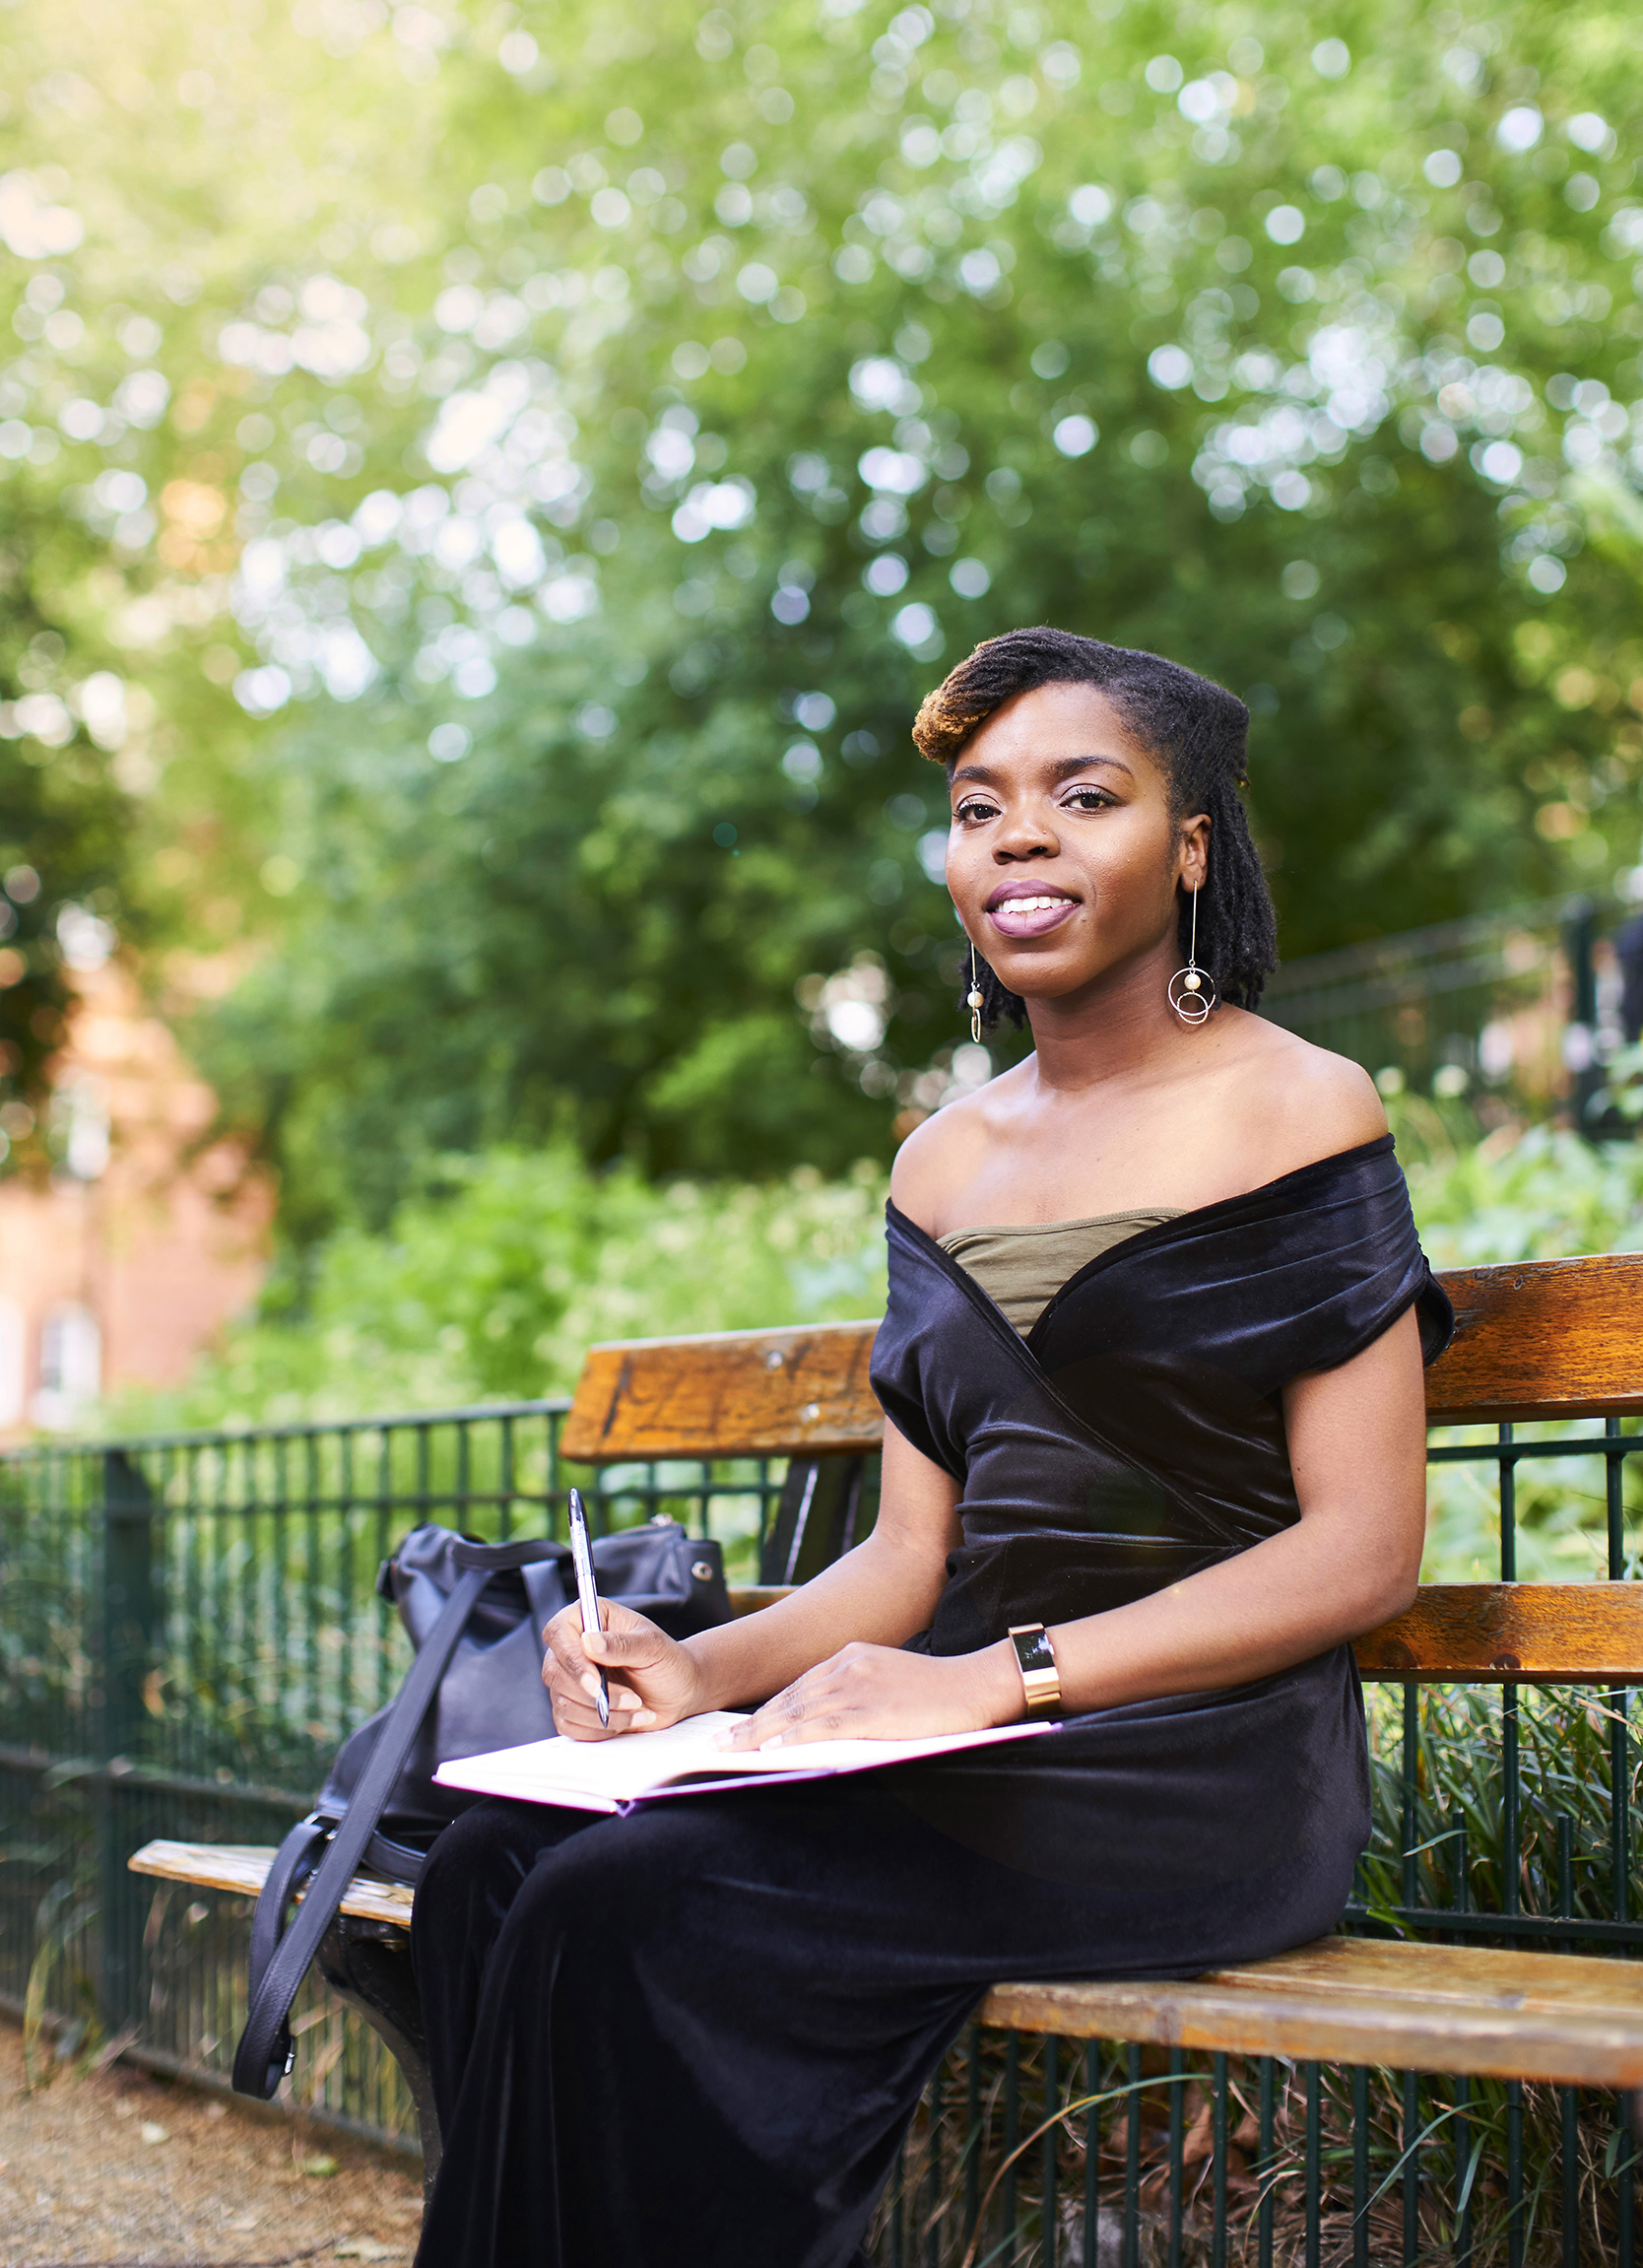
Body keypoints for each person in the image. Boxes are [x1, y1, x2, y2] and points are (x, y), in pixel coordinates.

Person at [410, 627, 1452, 2268]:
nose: (1017, 836)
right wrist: (705, 1672)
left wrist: (999, 1677)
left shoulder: (1301, 1107)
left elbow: (1363, 1549)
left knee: (628, 1904)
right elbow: (907, 1560)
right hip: (955, 1742)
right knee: (487, 1862)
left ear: (1190, 849)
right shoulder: (938, 1164)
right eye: (979, 809)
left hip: (1191, 1763)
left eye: (1081, 796)